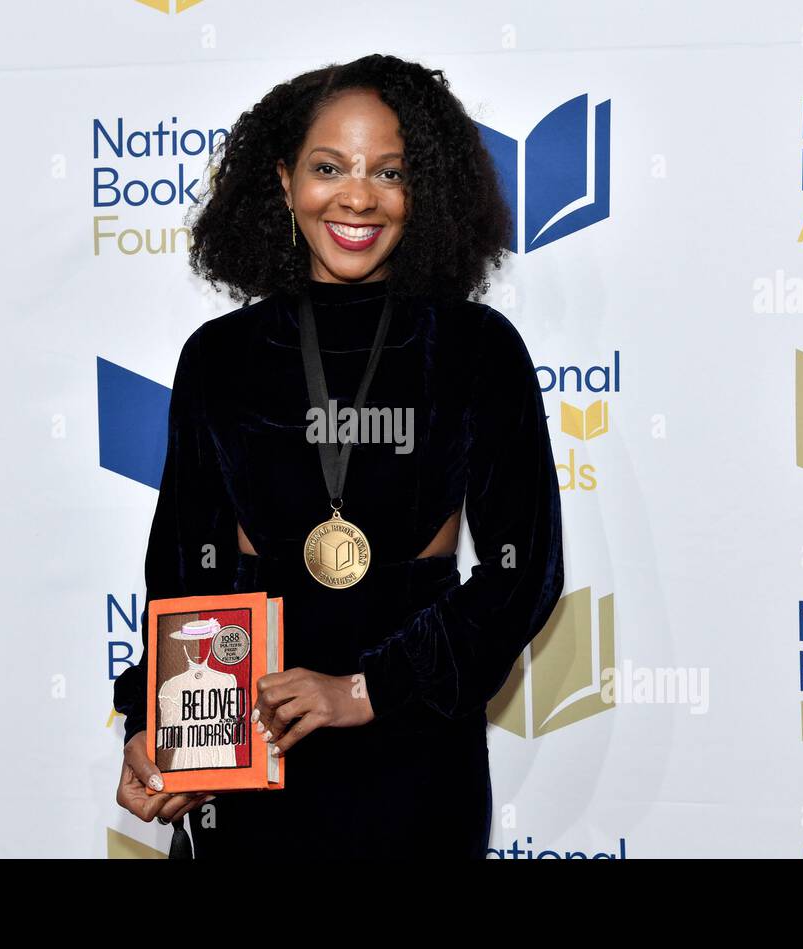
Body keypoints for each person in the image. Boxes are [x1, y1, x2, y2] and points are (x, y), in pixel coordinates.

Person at [113, 53, 564, 859]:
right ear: (284, 181)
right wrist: (157, 726)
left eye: (387, 172)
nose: (357, 195)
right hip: (249, 739)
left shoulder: (473, 348)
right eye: (329, 167)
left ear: (420, 190)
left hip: (412, 753)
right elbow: (186, 569)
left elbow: (520, 571)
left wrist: (366, 689)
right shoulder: (221, 355)